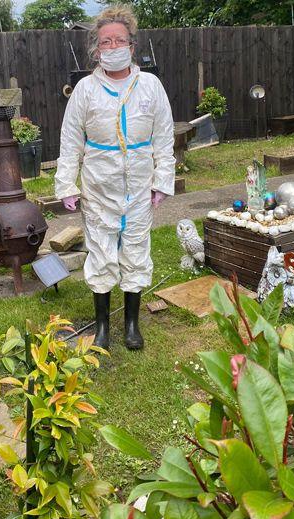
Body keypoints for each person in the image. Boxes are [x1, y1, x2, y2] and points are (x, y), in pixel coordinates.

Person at [54, 4, 175, 351]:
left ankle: (132, 325)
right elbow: (70, 141)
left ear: (132, 46)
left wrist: (161, 181)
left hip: (138, 186)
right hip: (99, 186)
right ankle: (103, 326)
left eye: (118, 40)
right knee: (101, 253)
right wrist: (66, 184)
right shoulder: (85, 91)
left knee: (136, 251)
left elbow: (164, 138)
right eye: (105, 42)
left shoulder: (151, 86)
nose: (112, 47)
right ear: (96, 49)